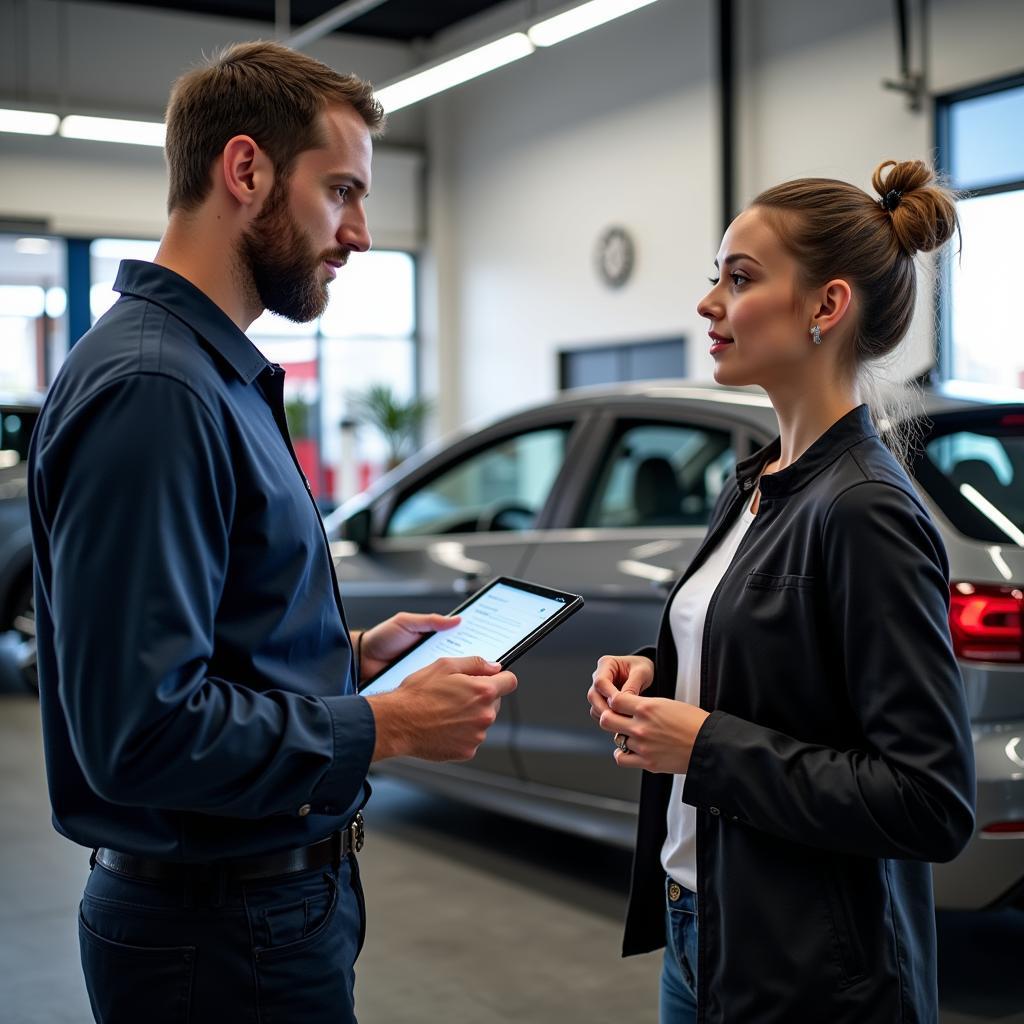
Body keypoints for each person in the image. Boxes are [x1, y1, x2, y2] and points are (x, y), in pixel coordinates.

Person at [28, 41, 516, 1024]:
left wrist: (349, 655)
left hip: (258, 910)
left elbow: (208, 637)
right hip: (218, 933)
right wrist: (385, 724)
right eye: (340, 191)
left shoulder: (209, 374)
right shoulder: (157, 390)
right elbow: (142, 730)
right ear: (245, 170)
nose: (360, 233)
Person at [587, 159, 975, 1023]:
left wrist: (706, 745)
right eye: (715, 277)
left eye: (741, 278)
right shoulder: (762, 479)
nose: (709, 303)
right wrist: (662, 671)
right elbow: (781, 662)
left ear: (826, 307)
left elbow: (930, 801)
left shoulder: (865, 511)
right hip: (706, 931)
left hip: (812, 975)